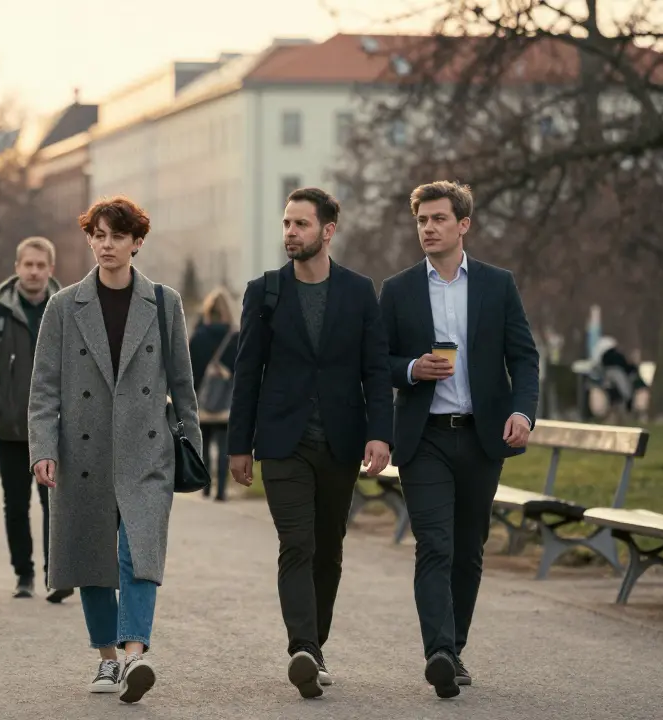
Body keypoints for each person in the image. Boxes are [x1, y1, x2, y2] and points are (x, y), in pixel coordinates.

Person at [28, 196, 200, 704]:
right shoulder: (64, 306)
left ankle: (135, 654)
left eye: (117, 236)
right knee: (93, 556)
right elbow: (43, 387)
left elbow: (182, 382)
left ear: (136, 243)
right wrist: (43, 447)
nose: (106, 245)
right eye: (98, 235)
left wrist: (188, 440)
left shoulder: (165, 303)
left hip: (147, 451)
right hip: (82, 453)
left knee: (138, 553)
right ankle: (107, 660)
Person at [227, 187, 393, 699]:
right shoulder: (266, 291)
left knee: (329, 549)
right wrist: (239, 444)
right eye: (286, 224)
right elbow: (247, 370)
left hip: (341, 442)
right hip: (282, 441)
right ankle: (302, 646)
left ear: (327, 231)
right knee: (296, 542)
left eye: (300, 224)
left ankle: (314, 645)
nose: (290, 233)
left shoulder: (359, 291)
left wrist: (380, 433)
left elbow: (375, 368)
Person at [378, 181, 539, 698]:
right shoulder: (398, 289)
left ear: (463, 224)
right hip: (423, 439)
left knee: (469, 550)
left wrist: (523, 412)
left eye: (439, 219)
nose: (428, 228)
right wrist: (409, 368)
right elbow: (375, 363)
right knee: (435, 545)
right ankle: (439, 652)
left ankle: (456, 649)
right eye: (422, 220)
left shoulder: (497, 284)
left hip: (480, 438)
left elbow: (524, 357)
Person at [0, 236, 75, 601]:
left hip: (55, 428)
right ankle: (24, 574)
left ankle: (55, 574)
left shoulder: (66, 310)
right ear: (17, 268)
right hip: (9, 428)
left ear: (51, 270)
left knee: (54, 504)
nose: (33, 271)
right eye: (27, 265)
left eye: (40, 265)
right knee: (15, 503)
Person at [188, 287, 238, 502]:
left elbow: (189, 369)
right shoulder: (235, 337)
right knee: (224, 444)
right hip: (227, 401)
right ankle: (221, 491)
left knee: (205, 442)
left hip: (202, 397)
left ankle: (206, 486)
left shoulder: (199, 337)